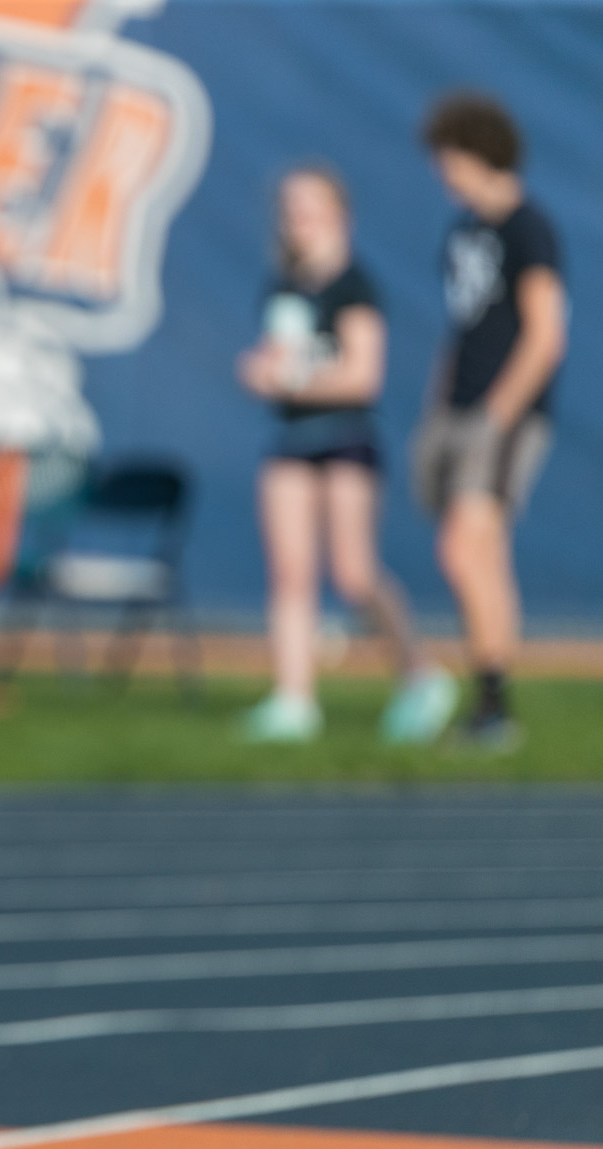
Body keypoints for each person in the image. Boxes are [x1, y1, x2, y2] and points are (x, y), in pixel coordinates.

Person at [235, 166, 455, 744]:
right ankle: (293, 701)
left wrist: (289, 380)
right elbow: (274, 355)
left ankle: (419, 673)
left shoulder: (355, 285)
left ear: (338, 214)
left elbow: (361, 376)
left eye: (311, 206)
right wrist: (259, 371)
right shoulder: (281, 286)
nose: (298, 218)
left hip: (345, 439)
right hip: (290, 439)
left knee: (353, 574)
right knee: (289, 574)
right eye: (290, 206)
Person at [415, 93, 566, 749]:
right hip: (460, 408)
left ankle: (493, 704)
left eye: (448, 158)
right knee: (482, 556)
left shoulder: (527, 228)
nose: (442, 173)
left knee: (463, 548)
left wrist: (496, 415)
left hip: (503, 416)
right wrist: (438, 410)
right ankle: (492, 703)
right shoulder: (462, 232)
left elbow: (545, 334)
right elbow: (463, 331)